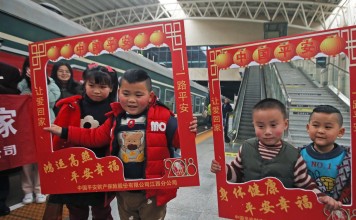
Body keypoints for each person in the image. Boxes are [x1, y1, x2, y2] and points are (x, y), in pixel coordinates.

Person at [44, 69, 198, 220]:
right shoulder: (115, 118)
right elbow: (94, 137)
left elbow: (179, 141)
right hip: (124, 190)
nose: (131, 100)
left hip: (153, 191)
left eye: (138, 95)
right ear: (118, 93)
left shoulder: (163, 117)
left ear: (150, 96)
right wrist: (64, 132)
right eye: (126, 94)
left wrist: (187, 131)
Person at [211, 98, 342, 211]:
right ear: (254, 126)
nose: (267, 131)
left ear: (285, 124)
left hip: (280, 212)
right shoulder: (246, 147)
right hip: (250, 209)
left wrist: (323, 197)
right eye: (260, 126)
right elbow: (236, 174)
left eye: (273, 125)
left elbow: (306, 185)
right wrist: (223, 169)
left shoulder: (294, 155)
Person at [44, 65, 119, 220]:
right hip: (75, 167)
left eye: (103, 87)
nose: (96, 91)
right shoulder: (71, 106)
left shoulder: (115, 111)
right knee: (76, 210)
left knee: (102, 211)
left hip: (101, 168)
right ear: (84, 85)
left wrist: (64, 131)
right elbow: (56, 141)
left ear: (111, 89)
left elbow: (98, 137)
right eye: (91, 86)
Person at [17, 57, 60, 204]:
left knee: (42, 158)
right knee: (27, 160)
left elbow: (52, 99)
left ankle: (40, 188)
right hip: (26, 127)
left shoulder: (51, 83)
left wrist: (40, 81)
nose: (32, 70)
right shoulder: (21, 84)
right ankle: (27, 190)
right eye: (30, 67)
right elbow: (18, 101)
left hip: (45, 125)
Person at [300, 105, 351, 204]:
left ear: (341, 132)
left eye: (327, 127)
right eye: (315, 125)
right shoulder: (298, 154)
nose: (320, 131)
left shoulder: (348, 159)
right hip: (304, 209)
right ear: (308, 127)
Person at [0, 62, 22, 216]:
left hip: (3, 124)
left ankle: (1, 201)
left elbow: (16, 93)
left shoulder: (10, 71)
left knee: (2, 165)